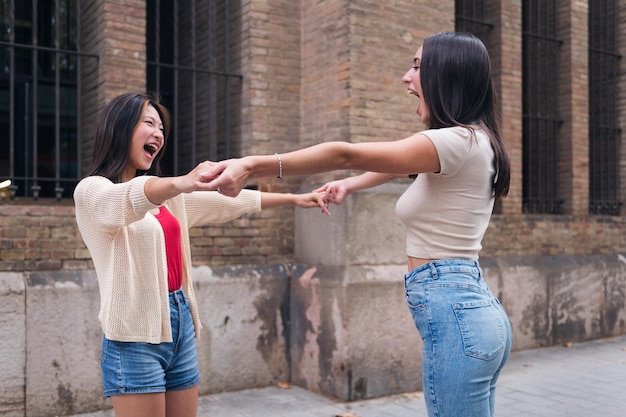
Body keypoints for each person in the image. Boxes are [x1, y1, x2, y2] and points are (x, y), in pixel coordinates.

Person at [202, 32, 513, 417]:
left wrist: (252, 165)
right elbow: (393, 165)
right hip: (474, 309)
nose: (406, 77)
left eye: (417, 66)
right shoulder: (478, 141)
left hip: (457, 317)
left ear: (446, 75)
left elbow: (344, 153)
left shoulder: (454, 142)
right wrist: (350, 184)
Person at [73, 92, 329, 417]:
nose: (159, 134)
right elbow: (125, 200)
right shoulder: (92, 191)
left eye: (162, 128)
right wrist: (181, 181)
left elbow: (227, 203)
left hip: (179, 327)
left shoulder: (167, 198)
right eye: (149, 123)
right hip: (133, 339)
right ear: (120, 128)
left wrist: (297, 199)